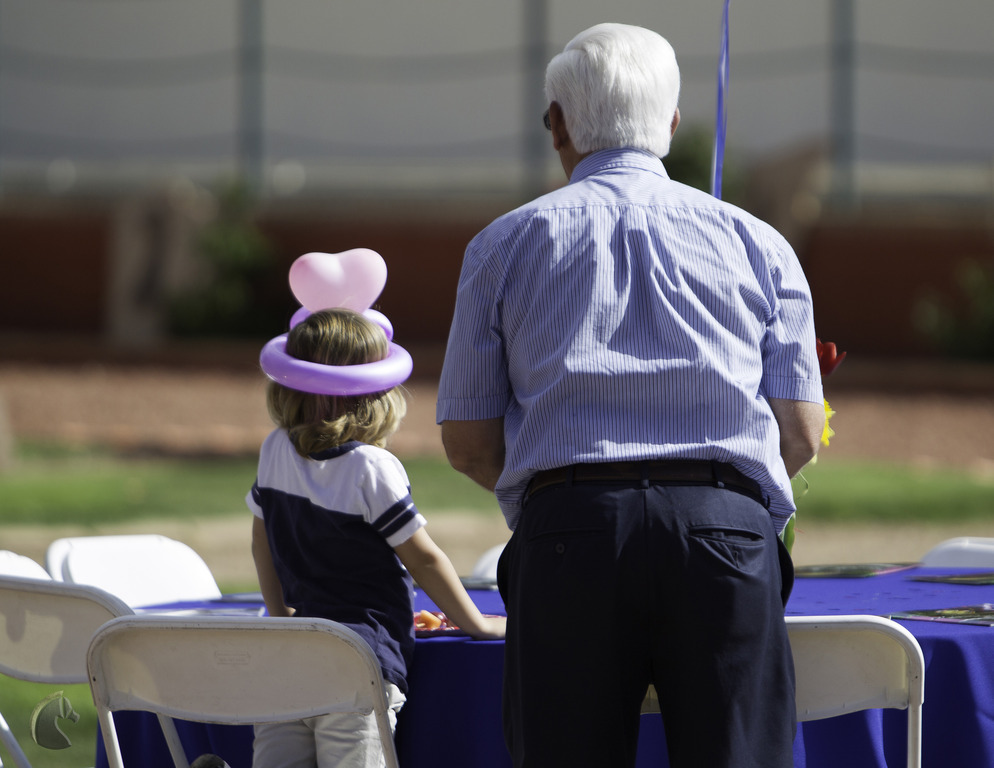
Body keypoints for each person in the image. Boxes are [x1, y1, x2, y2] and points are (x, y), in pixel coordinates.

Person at [436, 22, 825, 768]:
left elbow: (468, 444)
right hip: (726, 536)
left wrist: (569, 491)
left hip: (569, 535)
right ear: (672, 126)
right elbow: (802, 434)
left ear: (556, 124)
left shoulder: (502, 246)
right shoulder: (760, 243)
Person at [248, 307, 505, 768]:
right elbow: (423, 558)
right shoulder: (371, 467)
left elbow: (261, 539)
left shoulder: (275, 448)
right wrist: (478, 624)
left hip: (287, 657)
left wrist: (278, 616)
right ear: (375, 394)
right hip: (357, 661)